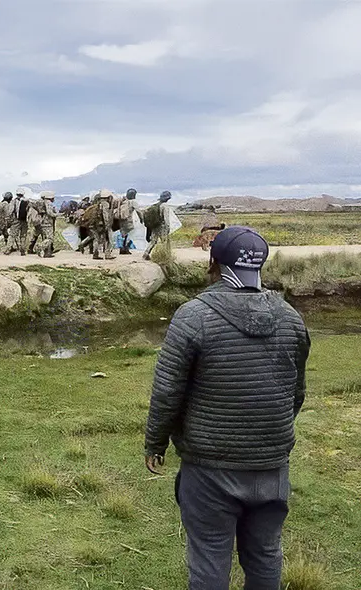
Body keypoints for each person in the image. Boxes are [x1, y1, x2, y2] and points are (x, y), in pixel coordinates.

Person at [144, 226, 310, 589]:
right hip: (272, 465)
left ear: (213, 262)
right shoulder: (291, 318)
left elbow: (168, 391)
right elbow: (296, 394)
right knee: (266, 555)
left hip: (209, 468)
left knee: (209, 560)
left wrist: (155, 443)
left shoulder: (193, 316)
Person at [143, 190, 172, 260]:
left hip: (155, 226)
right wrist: (168, 227)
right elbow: (166, 219)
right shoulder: (165, 206)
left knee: (153, 241)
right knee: (164, 241)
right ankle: (165, 256)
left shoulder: (156, 205)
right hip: (162, 226)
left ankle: (146, 253)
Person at [36, 191, 58, 258]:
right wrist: (57, 215)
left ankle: (47, 253)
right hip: (48, 222)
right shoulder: (49, 203)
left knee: (45, 237)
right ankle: (40, 246)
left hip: (42, 222)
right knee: (50, 238)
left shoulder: (42, 202)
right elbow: (50, 213)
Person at [116, 189, 138, 255]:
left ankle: (122, 249)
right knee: (129, 235)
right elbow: (138, 211)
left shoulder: (123, 201)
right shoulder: (133, 202)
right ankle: (126, 249)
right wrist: (142, 219)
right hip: (128, 220)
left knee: (123, 235)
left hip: (121, 220)